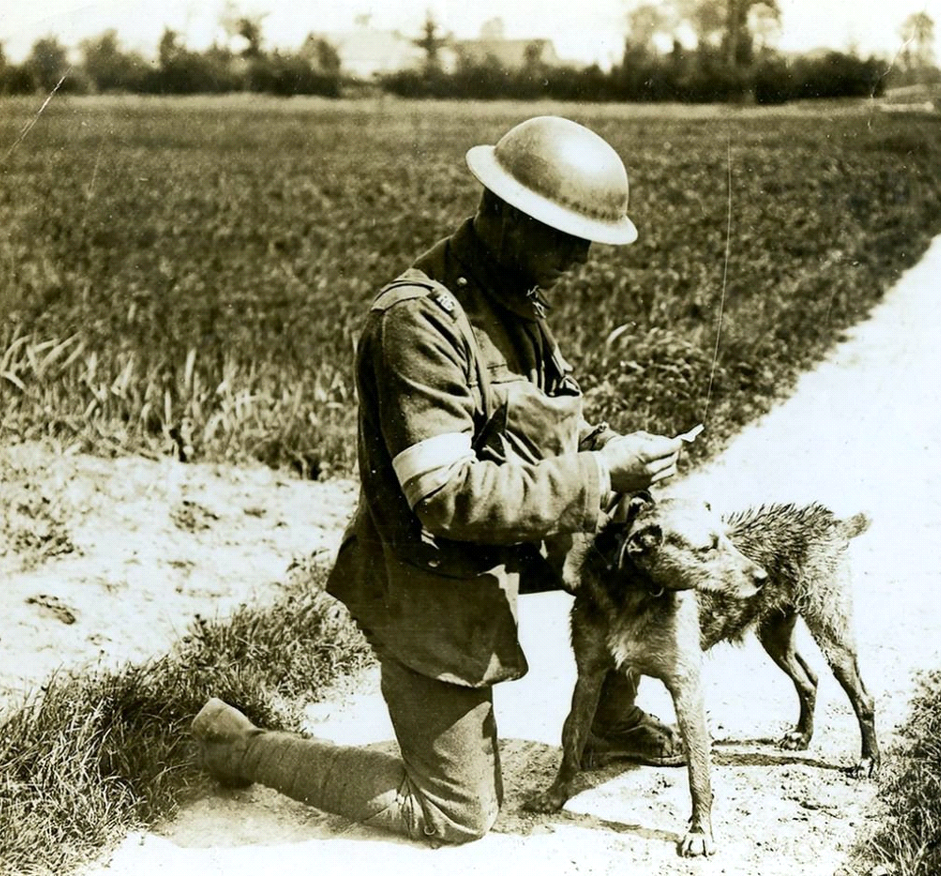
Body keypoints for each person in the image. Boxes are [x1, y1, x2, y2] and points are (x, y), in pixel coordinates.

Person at [191, 116, 686, 845]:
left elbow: (544, 418)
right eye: (567, 238)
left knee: (647, 547)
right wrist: (593, 474)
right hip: (433, 569)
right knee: (455, 814)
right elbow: (447, 496)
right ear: (508, 217)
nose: (580, 258)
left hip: (501, 536)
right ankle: (238, 746)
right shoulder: (418, 320)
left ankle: (607, 720)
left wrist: (611, 451)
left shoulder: (511, 295)